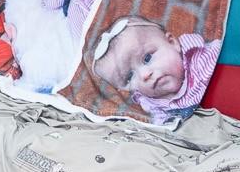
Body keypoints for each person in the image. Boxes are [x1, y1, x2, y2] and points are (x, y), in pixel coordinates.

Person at [79, 15, 221, 125]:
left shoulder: (201, 57)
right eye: (129, 76)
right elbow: (165, 127)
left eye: (147, 58)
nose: (145, 75)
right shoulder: (152, 104)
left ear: (172, 42)